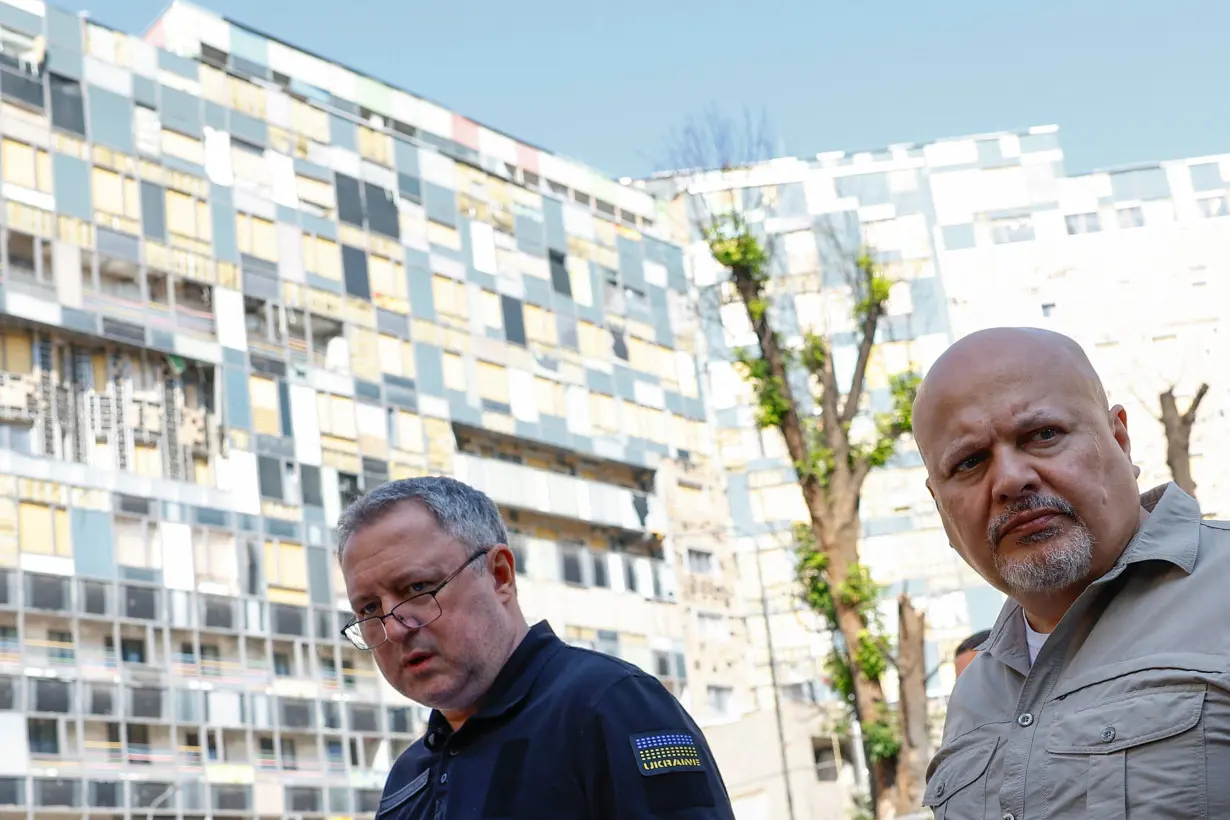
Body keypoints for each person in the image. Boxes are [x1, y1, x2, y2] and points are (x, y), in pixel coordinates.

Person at [912, 327, 1230, 820]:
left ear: (1120, 439)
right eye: (970, 462)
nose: (1011, 479)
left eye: (1043, 435)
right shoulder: (975, 693)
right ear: (939, 506)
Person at [335, 476, 736, 819]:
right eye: (369, 608)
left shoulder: (611, 707)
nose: (394, 627)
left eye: (418, 589)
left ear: (499, 575)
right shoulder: (406, 778)